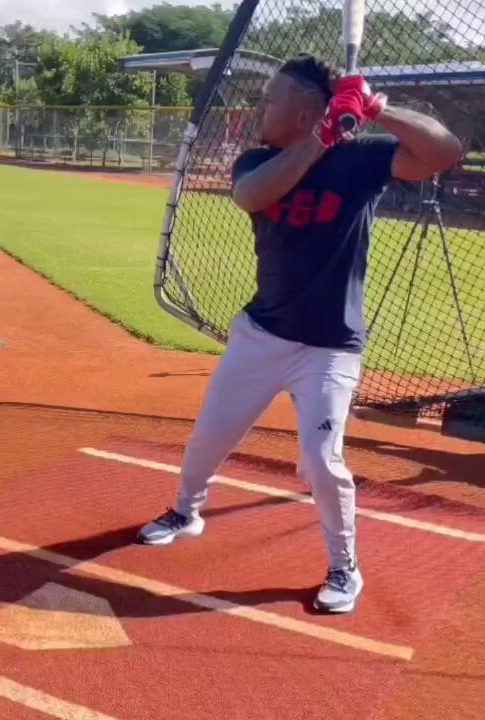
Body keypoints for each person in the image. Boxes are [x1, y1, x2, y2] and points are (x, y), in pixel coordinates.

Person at [136, 54, 463, 614]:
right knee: (210, 437)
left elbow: (444, 152)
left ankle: (344, 567)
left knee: (321, 459)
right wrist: (322, 136)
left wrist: (378, 109)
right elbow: (252, 196)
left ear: (304, 108)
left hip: (331, 347)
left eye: (270, 99)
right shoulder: (258, 161)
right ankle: (187, 510)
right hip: (262, 335)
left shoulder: (361, 162)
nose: (261, 107)